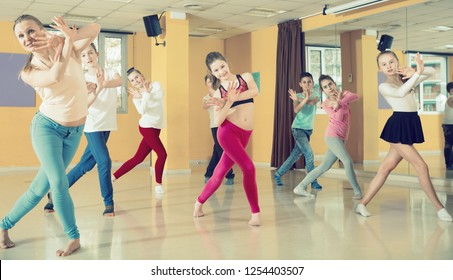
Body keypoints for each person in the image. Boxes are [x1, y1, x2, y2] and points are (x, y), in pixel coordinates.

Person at [0, 15, 100, 256]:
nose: (27, 39)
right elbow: (55, 76)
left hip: (74, 132)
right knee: (58, 182)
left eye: (31, 31)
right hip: (47, 129)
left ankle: (3, 226)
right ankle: (74, 237)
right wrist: (67, 43)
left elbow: (96, 28)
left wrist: (66, 38)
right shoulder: (28, 70)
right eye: (21, 36)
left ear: (42, 30)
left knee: (37, 190)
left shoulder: (68, 47)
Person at [356, 51, 453, 222]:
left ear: (397, 62)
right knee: (421, 166)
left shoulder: (407, 78)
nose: (389, 66)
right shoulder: (384, 86)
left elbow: (431, 72)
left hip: (409, 122)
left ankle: (362, 204)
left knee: (385, 168)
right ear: (380, 69)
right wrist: (416, 74)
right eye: (384, 64)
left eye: (392, 62)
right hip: (398, 125)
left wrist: (414, 70)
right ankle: (440, 209)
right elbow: (401, 93)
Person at [43, 43, 122, 216]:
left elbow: (119, 81)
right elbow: (86, 104)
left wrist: (103, 83)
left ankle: (53, 194)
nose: (88, 58)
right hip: (92, 125)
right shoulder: (82, 78)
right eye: (84, 55)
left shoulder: (109, 71)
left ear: (97, 53)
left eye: (90, 53)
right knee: (104, 161)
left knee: (85, 165)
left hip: (106, 125)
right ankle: (108, 203)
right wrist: (97, 87)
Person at [193, 51, 260, 226]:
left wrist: (235, 97)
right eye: (216, 70)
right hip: (228, 133)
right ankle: (255, 214)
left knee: (220, 172)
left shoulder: (245, 77)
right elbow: (218, 120)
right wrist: (228, 101)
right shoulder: (218, 94)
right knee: (249, 168)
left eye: (222, 66)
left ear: (227, 62)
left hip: (245, 133)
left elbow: (255, 91)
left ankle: (198, 203)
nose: (221, 72)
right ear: (212, 73)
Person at [293, 74, 363, 200]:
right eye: (325, 87)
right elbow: (338, 118)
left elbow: (356, 96)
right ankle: (358, 192)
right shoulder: (326, 104)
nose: (329, 88)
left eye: (330, 84)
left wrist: (340, 101)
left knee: (324, 166)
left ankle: (300, 186)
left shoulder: (344, 94)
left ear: (334, 84)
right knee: (347, 161)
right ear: (323, 91)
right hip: (332, 136)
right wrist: (337, 105)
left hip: (342, 137)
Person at [112, 67, 167, 194]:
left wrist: (145, 94)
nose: (135, 81)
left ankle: (112, 178)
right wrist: (144, 95)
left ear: (142, 76)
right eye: (132, 80)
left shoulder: (156, 85)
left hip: (156, 127)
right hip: (146, 127)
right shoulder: (136, 97)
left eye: (136, 77)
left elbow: (159, 97)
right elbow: (142, 111)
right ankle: (158, 184)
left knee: (138, 158)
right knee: (162, 154)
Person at [273, 72, 322, 189]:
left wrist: (303, 99)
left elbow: (311, 102)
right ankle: (313, 181)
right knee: (309, 154)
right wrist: (299, 99)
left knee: (295, 155)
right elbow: (296, 109)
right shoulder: (297, 96)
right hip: (298, 129)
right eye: (304, 82)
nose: (307, 84)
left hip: (308, 130)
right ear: (300, 84)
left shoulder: (316, 95)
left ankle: (278, 174)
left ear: (313, 83)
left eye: (309, 82)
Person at [202, 74, 235, 185]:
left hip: (225, 125)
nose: (211, 82)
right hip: (215, 126)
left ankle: (208, 174)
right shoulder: (206, 97)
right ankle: (229, 175)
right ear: (206, 83)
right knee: (221, 150)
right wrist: (213, 100)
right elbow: (205, 105)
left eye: (212, 80)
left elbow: (229, 105)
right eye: (208, 81)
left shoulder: (222, 94)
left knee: (218, 149)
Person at [442, 82, 453, 170]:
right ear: (449, 91)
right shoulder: (450, 99)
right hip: (449, 126)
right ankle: (448, 164)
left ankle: (451, 163)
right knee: (448, 145)